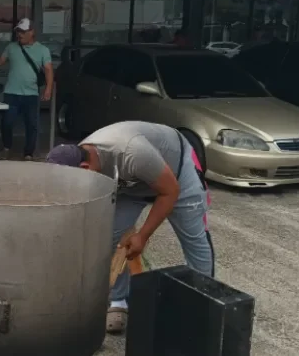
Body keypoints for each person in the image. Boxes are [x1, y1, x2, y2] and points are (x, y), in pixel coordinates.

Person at [45, 121, 214, 334]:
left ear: (84, 169)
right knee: (111, 236)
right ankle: (119, 301)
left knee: (194, 240)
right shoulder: (78, 157)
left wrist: (142, 235)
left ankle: (203, 309)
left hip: (176, 171)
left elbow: (169, 191)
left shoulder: (131, 153)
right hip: (130, 183)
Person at [0, 18, 53, 161]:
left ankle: (28, 153)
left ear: (31, 32)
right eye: (18, 32)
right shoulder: (11, 47)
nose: (19, 35)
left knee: (31, 125)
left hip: (31, 94)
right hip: (11, 93)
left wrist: (48, 89)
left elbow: (48, 70)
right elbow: (1, 60)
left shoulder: (43, 50)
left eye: (23, 32)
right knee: (6, 122)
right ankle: (6, 147)